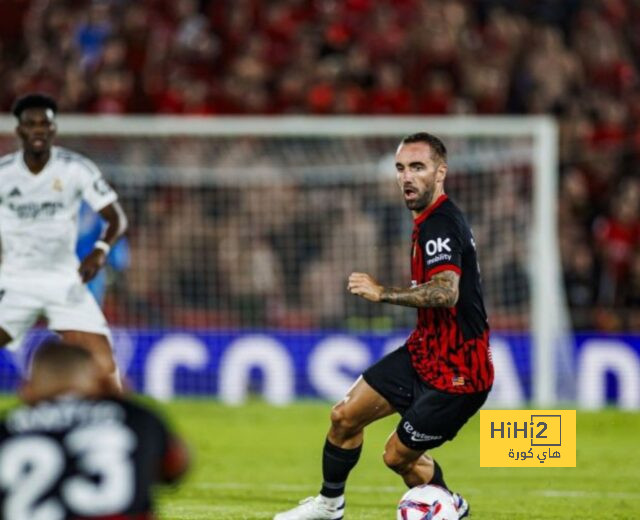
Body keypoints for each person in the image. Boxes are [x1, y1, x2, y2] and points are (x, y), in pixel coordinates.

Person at [274, 133, 494, 520]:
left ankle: (448, 505)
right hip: (425, 350)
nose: (406, 177)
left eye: (418, 167)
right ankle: (328, 506)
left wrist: (382, 293)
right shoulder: (426, 220)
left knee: (397, 456)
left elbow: (446, 293)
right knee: (344, 416)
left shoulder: (439, 224)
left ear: (441, 172)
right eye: (400, 168)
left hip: (458, 374)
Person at [0, 93, 127, 390]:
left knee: (102, 359)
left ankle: (116, 420)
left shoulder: (75, 169)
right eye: (31, 124)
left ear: (54, 129)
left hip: (63, 280)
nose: (38, 130)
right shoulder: (4, 174)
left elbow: (116, 218)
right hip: (14, 280)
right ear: (19, 130)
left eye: (45, 123)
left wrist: (100, 250)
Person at [0, 339, 190, 520]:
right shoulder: (133, 415)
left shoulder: (8, 427)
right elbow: (176, 467)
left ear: (27, 386)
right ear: (98, 380)